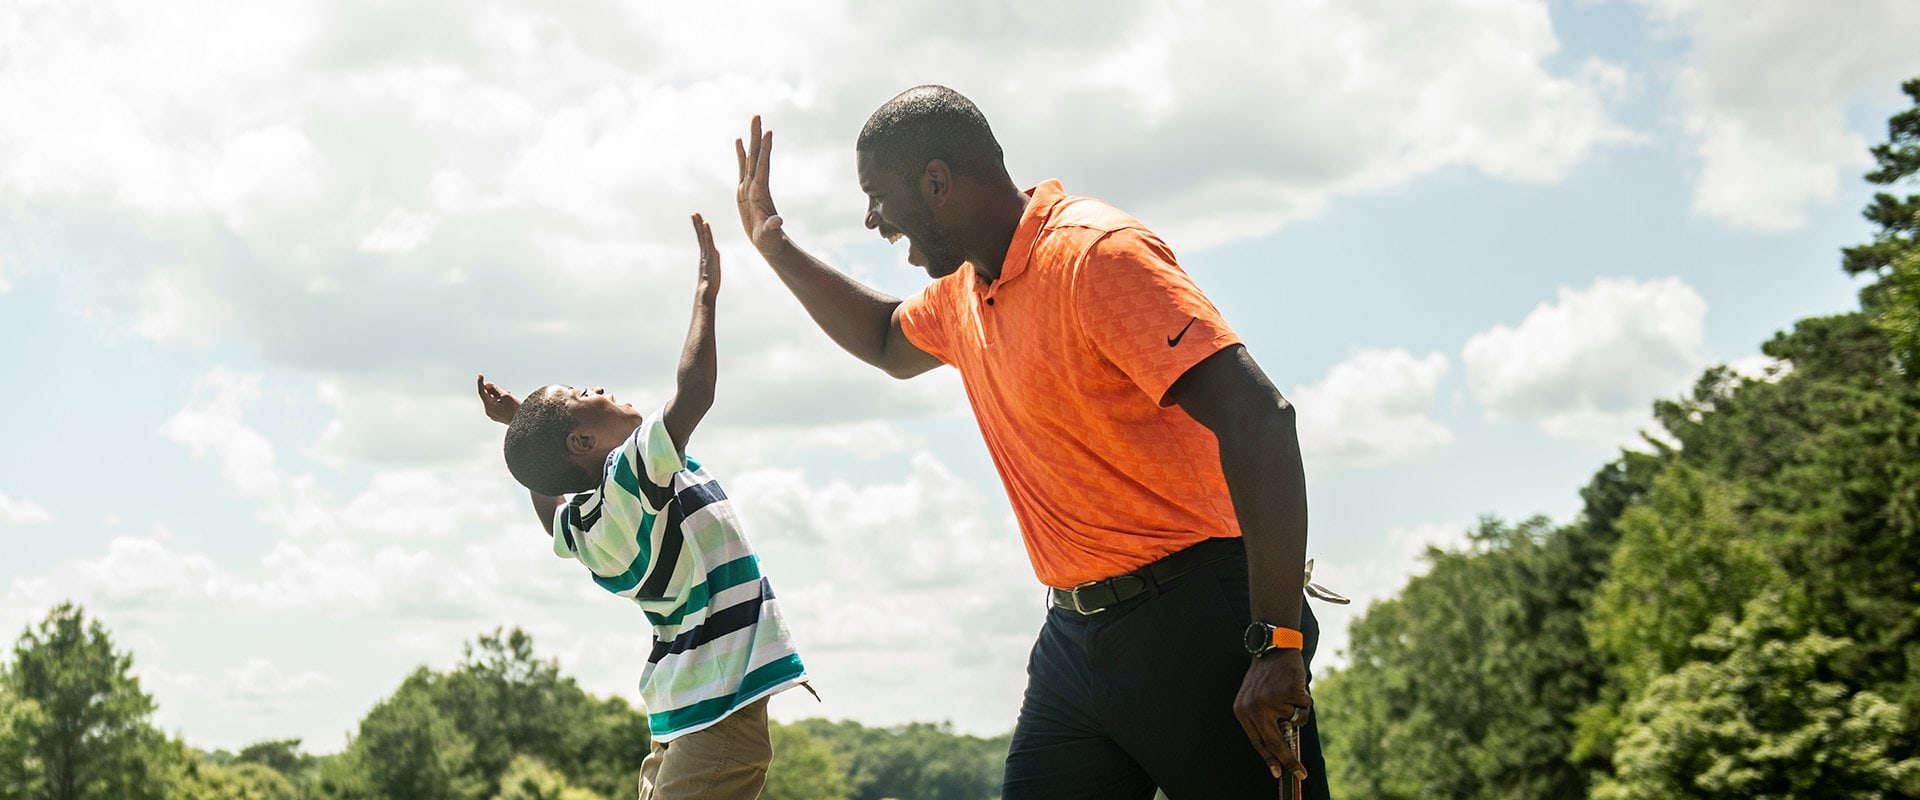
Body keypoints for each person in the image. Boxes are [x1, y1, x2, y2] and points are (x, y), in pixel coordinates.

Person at [733, 87, 1330, 798]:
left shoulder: (1095, 255)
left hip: (1199, 620)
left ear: (935, 182)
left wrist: (1278, 639)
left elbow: (1259, 417)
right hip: (1075, 642)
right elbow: (887, 340)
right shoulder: (963, 292)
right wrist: (774, 244)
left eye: (877, 197)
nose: (872, 221)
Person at [475, 214, 807, 800]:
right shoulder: (634, 475)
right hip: (717, 714)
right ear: (583, 444)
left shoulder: (589, 525)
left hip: (679, 716)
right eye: (584, 397)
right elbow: (695, 391)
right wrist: (706, 291)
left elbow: (548, 503)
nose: (598, 389)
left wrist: (522, 422)